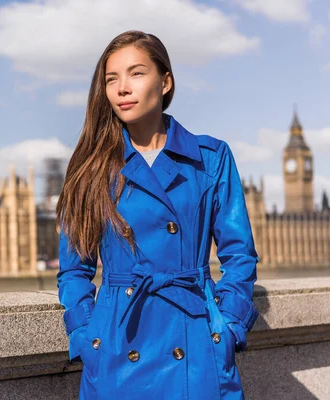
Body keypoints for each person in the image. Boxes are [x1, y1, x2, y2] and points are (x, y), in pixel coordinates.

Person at [56, 30, 259, 399]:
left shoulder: (210, 159)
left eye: (136, 73)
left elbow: (239, 254)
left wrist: (227, 327)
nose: (122, 88)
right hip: (119, 341)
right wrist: (87, 334)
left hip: (195, 343)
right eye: (111, 79)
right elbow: (74, 268)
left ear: (165, 82)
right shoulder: (90, 168)